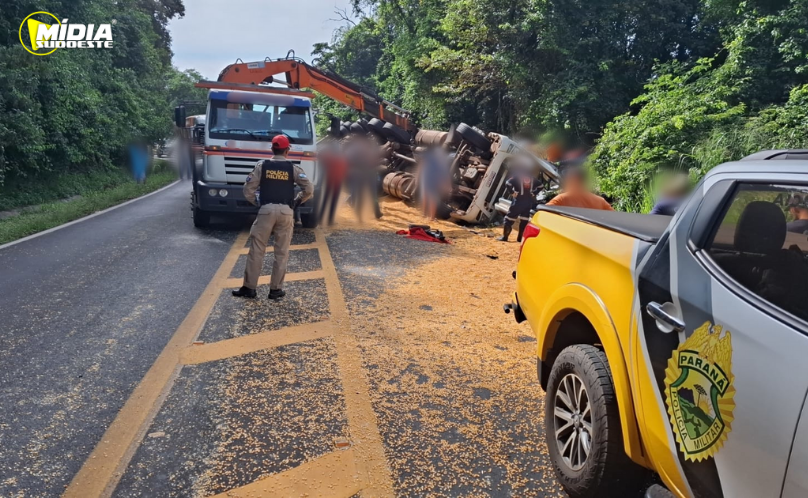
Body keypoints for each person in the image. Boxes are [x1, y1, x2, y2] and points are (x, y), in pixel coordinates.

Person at [232, 135, 313, 300]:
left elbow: (248, 189)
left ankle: (249, 288)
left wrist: (258, 203)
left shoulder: (262, 166)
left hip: (266, 211)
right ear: (287, 150)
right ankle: (275, 290)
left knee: (257, 250)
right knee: (281, 252)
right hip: (286, 212)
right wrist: (297, 201)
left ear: (272, 149)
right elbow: (309, 189)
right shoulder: (293, 169)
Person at [498, 168, 540, 242]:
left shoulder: (517, 177)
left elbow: (508, 183)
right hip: (528, 203)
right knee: (524, 220)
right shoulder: (533, 179)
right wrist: (534, 193)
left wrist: (512, 192)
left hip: (518, 202)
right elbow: (541, 186)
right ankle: (520, 239)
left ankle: (505, 237)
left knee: (509, 219)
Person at [546, 167, 613, 210]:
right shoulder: (600, 201)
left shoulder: (561, 199)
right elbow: (615, 218)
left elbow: (543, 213)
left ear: (571, 180)